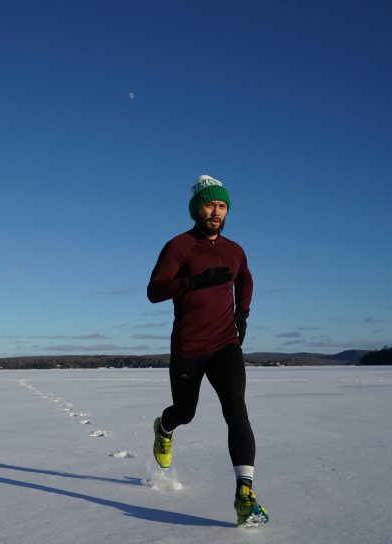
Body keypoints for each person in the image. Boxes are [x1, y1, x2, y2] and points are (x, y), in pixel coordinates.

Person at [146, 174, 268, 527]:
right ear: (196, 209)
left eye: (223, 205)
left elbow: (245, 277)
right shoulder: (179, 247)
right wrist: (194, 282)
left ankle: (244, 494)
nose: (217, 211)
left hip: (225, 344)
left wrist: (242, 312)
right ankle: (165, 429)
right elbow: (154, 290)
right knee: (185, 412)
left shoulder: (235, 250)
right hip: (188, 347)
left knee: (237, 412)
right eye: (211, 204)